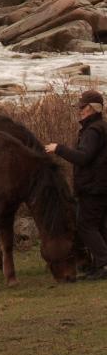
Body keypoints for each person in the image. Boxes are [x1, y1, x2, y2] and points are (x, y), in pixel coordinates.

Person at [46, 89, 107, 280]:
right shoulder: (101, 127)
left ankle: (104, 265)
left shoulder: (93, 131)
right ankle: (99, 265)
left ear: (92, 109)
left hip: (93, 188)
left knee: (86, 226)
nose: (79, 110)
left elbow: (83, 157)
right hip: (100, 187)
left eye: (82, 107)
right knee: (100, 226)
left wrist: (59, 149)